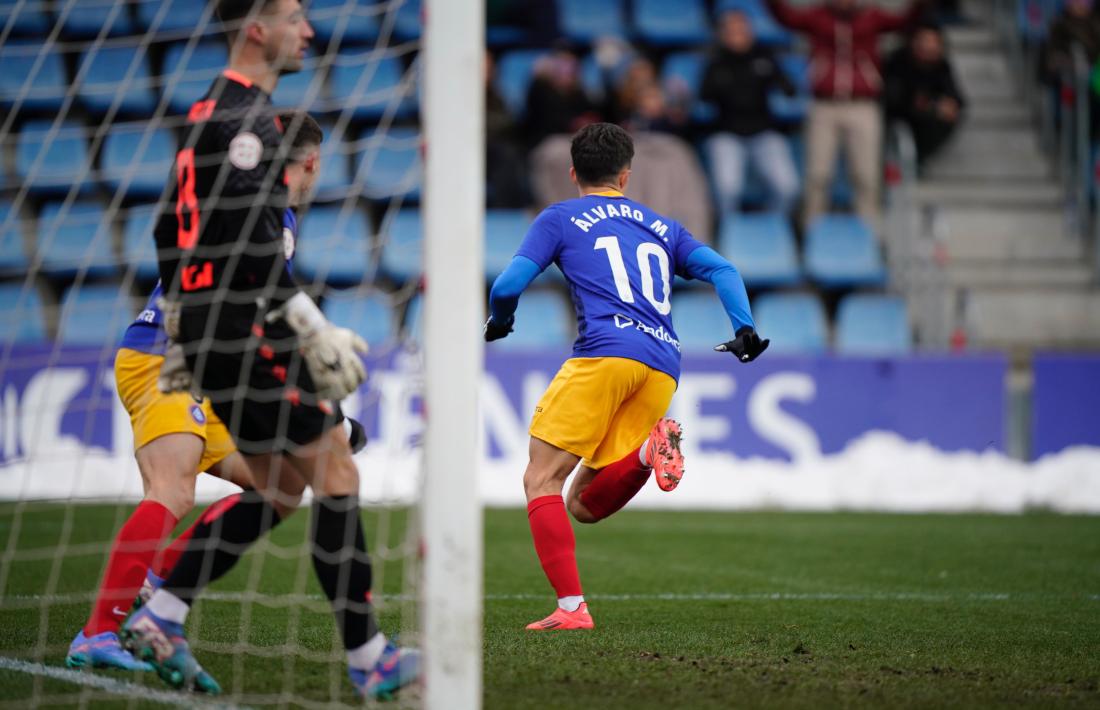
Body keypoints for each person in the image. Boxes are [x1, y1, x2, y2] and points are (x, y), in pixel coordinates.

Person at [118, 0, 419, 699]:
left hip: (210, 333)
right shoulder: (247, 120)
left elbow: (169, 227)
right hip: (243, 334)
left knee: (282, 488)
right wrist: (310, 326)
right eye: (293, 16)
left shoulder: (203, 116)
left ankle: (162, 612)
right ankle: (370, 655)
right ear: (257, 28)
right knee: (337, 471)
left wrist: (181, 321)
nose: (307, 29)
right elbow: (254, 246)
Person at [65, 111, 346, 674]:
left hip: (198, 364)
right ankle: (96, 635)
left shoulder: (241, 201)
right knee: (173, 490)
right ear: (311, 162)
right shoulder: (272, 213)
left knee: (280, 485)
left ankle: (156, 579)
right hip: (167, 358)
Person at [485, 123, 769, 631]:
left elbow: (508, 284)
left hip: (604, 356)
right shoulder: (663, 227)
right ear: (625, 175)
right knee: (584, 505)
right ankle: (646, 453)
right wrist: (744, 327)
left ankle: (572, 610)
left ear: (573, 173)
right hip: (663, 365)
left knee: (541, 478)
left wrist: (502, 320)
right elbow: (724, 270)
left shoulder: (560, 217)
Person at [767, 0, 927, 227]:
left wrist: (920, 5)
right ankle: (812, 232)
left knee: (866, 177)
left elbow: (904, 23)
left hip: (863, 105)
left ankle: (870, 236)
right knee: (817, 176)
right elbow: (786, 18)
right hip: (824, 105)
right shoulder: (817, 16)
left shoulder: (873, 17)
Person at [701, 10, 800, 215]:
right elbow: (704, 97)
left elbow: (790, 89)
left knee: (787, 188)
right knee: (727, 189)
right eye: (731, 30)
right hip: (727, 134)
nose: (737, 34)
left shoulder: (765, 58)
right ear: (722, 34)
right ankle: (729, 230)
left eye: (741, 29)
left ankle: (772, 226)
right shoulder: (715, 62)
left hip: (764, 133)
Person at [884, 24, 966, 167]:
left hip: (926, 120)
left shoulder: (941, 66)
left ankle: (918, 159)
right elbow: (895, 98)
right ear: (913, 42)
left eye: (933, 42)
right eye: (924, 40)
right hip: (898, 117)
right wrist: (928, 104)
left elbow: (956, 97)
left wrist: (947, 104)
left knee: (946, 117)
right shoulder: (897, 61)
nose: (928, 46)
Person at [523, 47, 601, 148]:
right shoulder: (541, 89)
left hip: (575, 139)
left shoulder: (578, 93)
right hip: (545, 142)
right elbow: (545, 120)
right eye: (562, 65)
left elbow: (593, 112)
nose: (567, 70)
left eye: (571, 66)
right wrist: (572, 124)